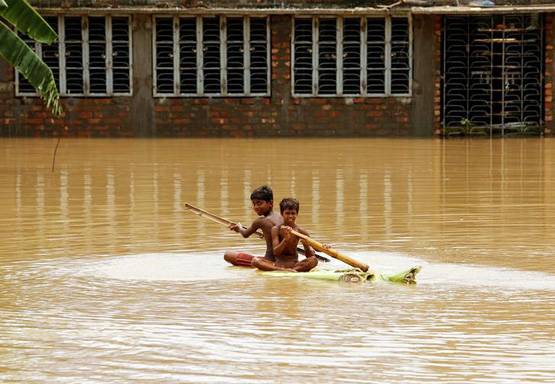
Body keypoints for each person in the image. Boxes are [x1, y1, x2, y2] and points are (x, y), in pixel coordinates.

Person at [252, 197, 318, 272]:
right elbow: (276, 252)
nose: (290, 216)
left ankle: (293, 270)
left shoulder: (301, 232)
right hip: (279, 265)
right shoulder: (276, 229)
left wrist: (306, 246)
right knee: (255, 261)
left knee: (314, 260)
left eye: (293, 213)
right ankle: (282, 270)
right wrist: (285, 240)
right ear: (281, 214)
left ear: (297, 214)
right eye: (287, 213)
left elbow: (309, 256)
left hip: (295, 265)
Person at [224, 185, 283, 267]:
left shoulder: (260, 221)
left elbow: (245, 234)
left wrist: (239, 228)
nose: (256, 207)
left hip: (269, 261)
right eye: (254, 204)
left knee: (228, 255)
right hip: (283, 260)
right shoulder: (280, 216)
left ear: (270, 203)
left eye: (259, 203)